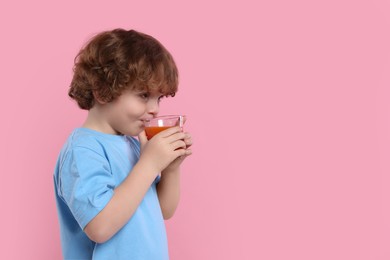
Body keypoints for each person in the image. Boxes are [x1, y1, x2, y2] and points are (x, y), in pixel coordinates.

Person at [53, 28, 192, 259]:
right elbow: (100, 227)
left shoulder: (133, 144)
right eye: (143, 95)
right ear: (103, 91)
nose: (155, 108)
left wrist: (170, 168)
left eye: (159, 98)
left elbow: (163, 211)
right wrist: (149, 164)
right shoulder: (82, 150)